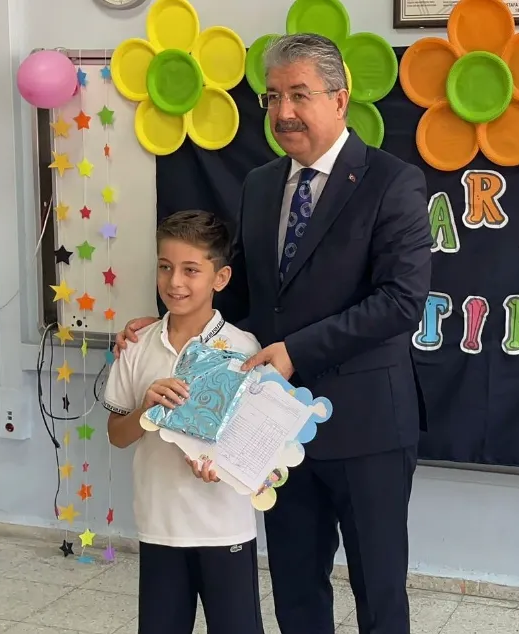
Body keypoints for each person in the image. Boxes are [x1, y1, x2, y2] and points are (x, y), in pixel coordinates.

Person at [118, 34, 433, 634]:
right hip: (273, 427)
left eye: (299, 95)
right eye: (272, 97)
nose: (283, 111)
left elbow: (400, 301)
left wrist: (296, 352)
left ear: (339, 100)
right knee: (294, 583)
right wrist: (166, 322)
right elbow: (240, 296)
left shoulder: (393, 182)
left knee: (379, 587)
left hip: (368, 425)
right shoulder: (261, 184)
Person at [103, 210, 265, 634]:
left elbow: (255, 447)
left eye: (191, 270)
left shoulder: (244, 349)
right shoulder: (136, 346)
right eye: (165, 267)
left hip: (224, 528)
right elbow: (117, 435)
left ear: (220, 278)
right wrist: (145, 410)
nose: (174, 282)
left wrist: (224, 467)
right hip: (159, 527)